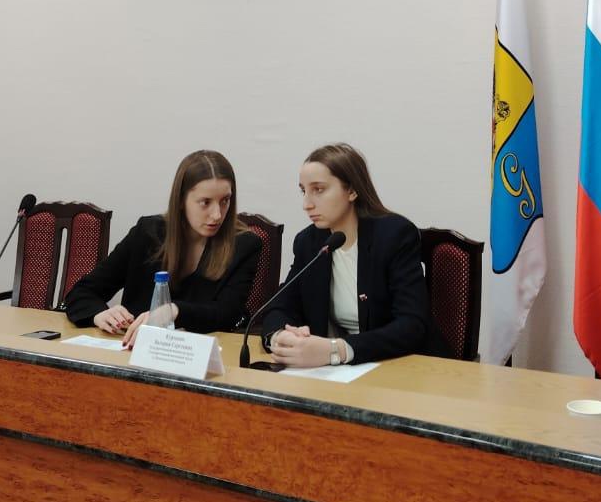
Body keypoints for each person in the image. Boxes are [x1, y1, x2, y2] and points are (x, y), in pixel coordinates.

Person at [261, 143, 453, 367]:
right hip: (340, 373)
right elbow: (279, 306)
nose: (306, 204)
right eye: (304, 191)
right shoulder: (309, 242)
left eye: (319, 190)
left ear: (352, 190)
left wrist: (338, 350)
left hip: (407, 366)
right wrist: (281, 337)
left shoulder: (394, 236)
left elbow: (412, 325)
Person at [65, 150, 261, 344]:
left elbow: (227, 314)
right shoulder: (147, 233)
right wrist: (99, 314)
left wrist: (174, 311)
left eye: (225, 201)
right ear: (181, 200)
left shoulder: (244, 244)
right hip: (134, 352)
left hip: (204, 356)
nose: (217, 214)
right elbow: (83, 292)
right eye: (205, 203)